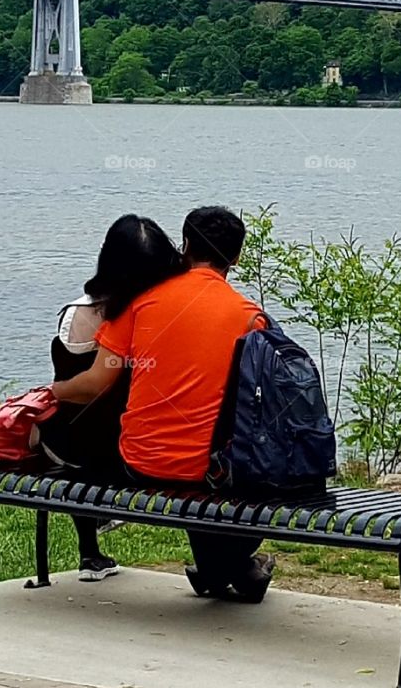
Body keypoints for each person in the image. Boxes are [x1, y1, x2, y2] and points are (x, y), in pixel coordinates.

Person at [51, 205, 274, 603]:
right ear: (237, 257)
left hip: (139, 463)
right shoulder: (252, 318)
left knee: (194, 474)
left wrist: (50, 393)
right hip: (208, 471)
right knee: (231, 477)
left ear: (186, 246)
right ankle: (234, 567)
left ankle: (222, 570)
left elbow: (98, 380)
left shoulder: (142, 303)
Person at [37, 213, 183, 581]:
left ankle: (90, 553)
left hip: (63, 443)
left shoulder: (75, 313)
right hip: (118, 446)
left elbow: (73, 379)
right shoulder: (141, 317)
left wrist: (47, 394)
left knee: (83, 442)